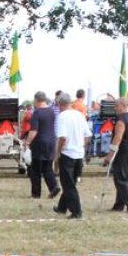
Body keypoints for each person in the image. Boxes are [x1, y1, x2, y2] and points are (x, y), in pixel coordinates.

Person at [54, 91, 90, 219]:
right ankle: (62, 207)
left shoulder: (62, 117)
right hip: (79, 154)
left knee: (68, 185)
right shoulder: (80, 115)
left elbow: (62, 137)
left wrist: (58, 152)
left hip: (67, 154)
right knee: (70, 182)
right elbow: (87, 135)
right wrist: (80, 145)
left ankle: (76, 211)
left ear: (59, 104)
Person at [104, 97, 128, 213]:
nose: (115, 108)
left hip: (124, 153)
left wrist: (109, 156)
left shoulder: (121, 120)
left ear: (123, 105)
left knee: (120, 180)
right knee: (126, 180)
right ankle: (119, 205)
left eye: (116, 106)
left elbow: (117, 138)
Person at [26, 91, 59, 200]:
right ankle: (54, 186)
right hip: (51, 141)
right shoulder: (51, 111)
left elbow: (34, 130)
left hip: (39, 143)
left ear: (36, 100)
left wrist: (28, 142)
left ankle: (36, 193)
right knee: (47, 167)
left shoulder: (37, 113)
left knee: (35, 169)